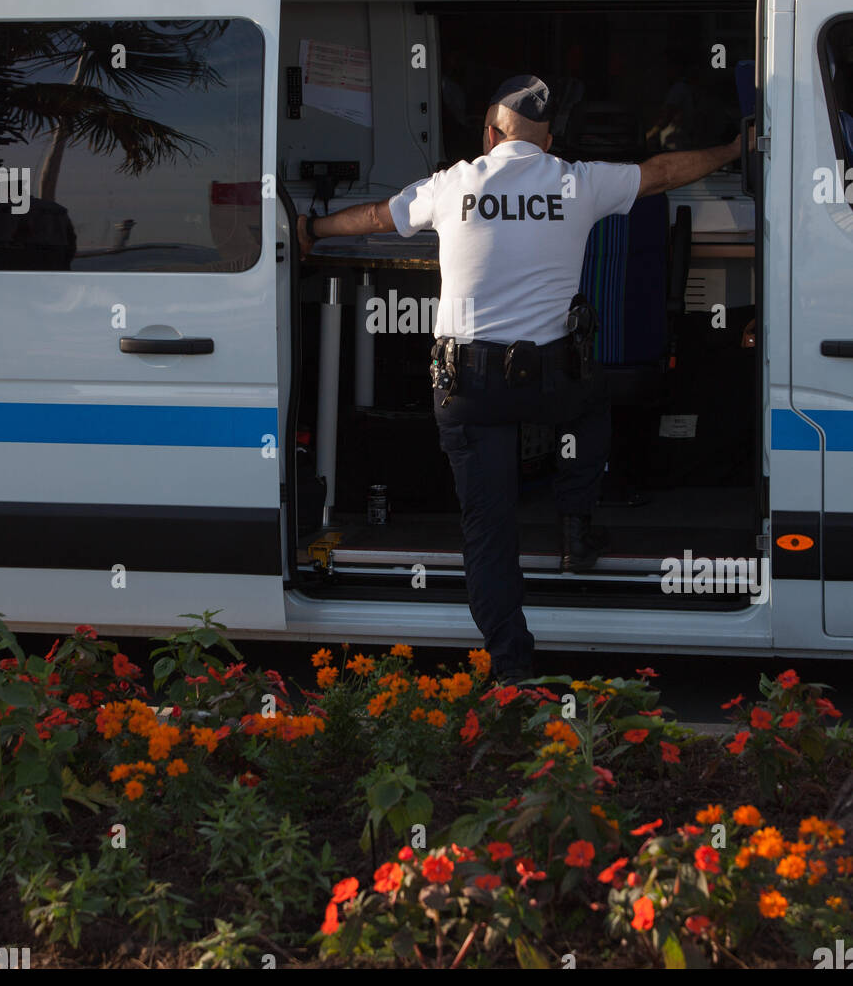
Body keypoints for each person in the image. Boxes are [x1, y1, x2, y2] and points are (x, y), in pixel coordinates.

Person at [296, 75, 743, 683]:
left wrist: (312, 231)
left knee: (488, 525)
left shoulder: (454, 184)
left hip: (467, 386)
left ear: (488, 133)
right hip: (548, 382)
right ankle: (575, 524)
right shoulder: (576, 181)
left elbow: (377, 216)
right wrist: (733, 152)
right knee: (594, 401)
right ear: (549, 139)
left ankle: (511, 666)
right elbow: (661, 173)